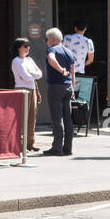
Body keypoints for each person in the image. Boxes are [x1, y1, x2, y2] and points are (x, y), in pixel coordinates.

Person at [44, 27, 76, 156]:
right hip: (68, 86)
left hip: (56, 86)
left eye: (46, 39)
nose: (46, 41)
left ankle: (57, 147)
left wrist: (61, 70)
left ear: (51, 39)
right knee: (68, 118)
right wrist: (72, 88)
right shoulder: (69, 52)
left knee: (57, 118)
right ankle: (68, 148)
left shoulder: (51, 49)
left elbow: (51, 58)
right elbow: (73, 72)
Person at [10, 37, 42, 153]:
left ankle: (30, 142)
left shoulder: (29, 60)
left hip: (32, 89)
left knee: (32, 116)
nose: (28, 48)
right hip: (22, 89)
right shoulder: (16, 61)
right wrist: (33, 74)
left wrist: (32, 74)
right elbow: (25, 77)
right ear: (18, 48)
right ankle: (20, 144)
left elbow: (40, 73)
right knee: (22, 117)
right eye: (25, 46)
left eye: (28, 46)